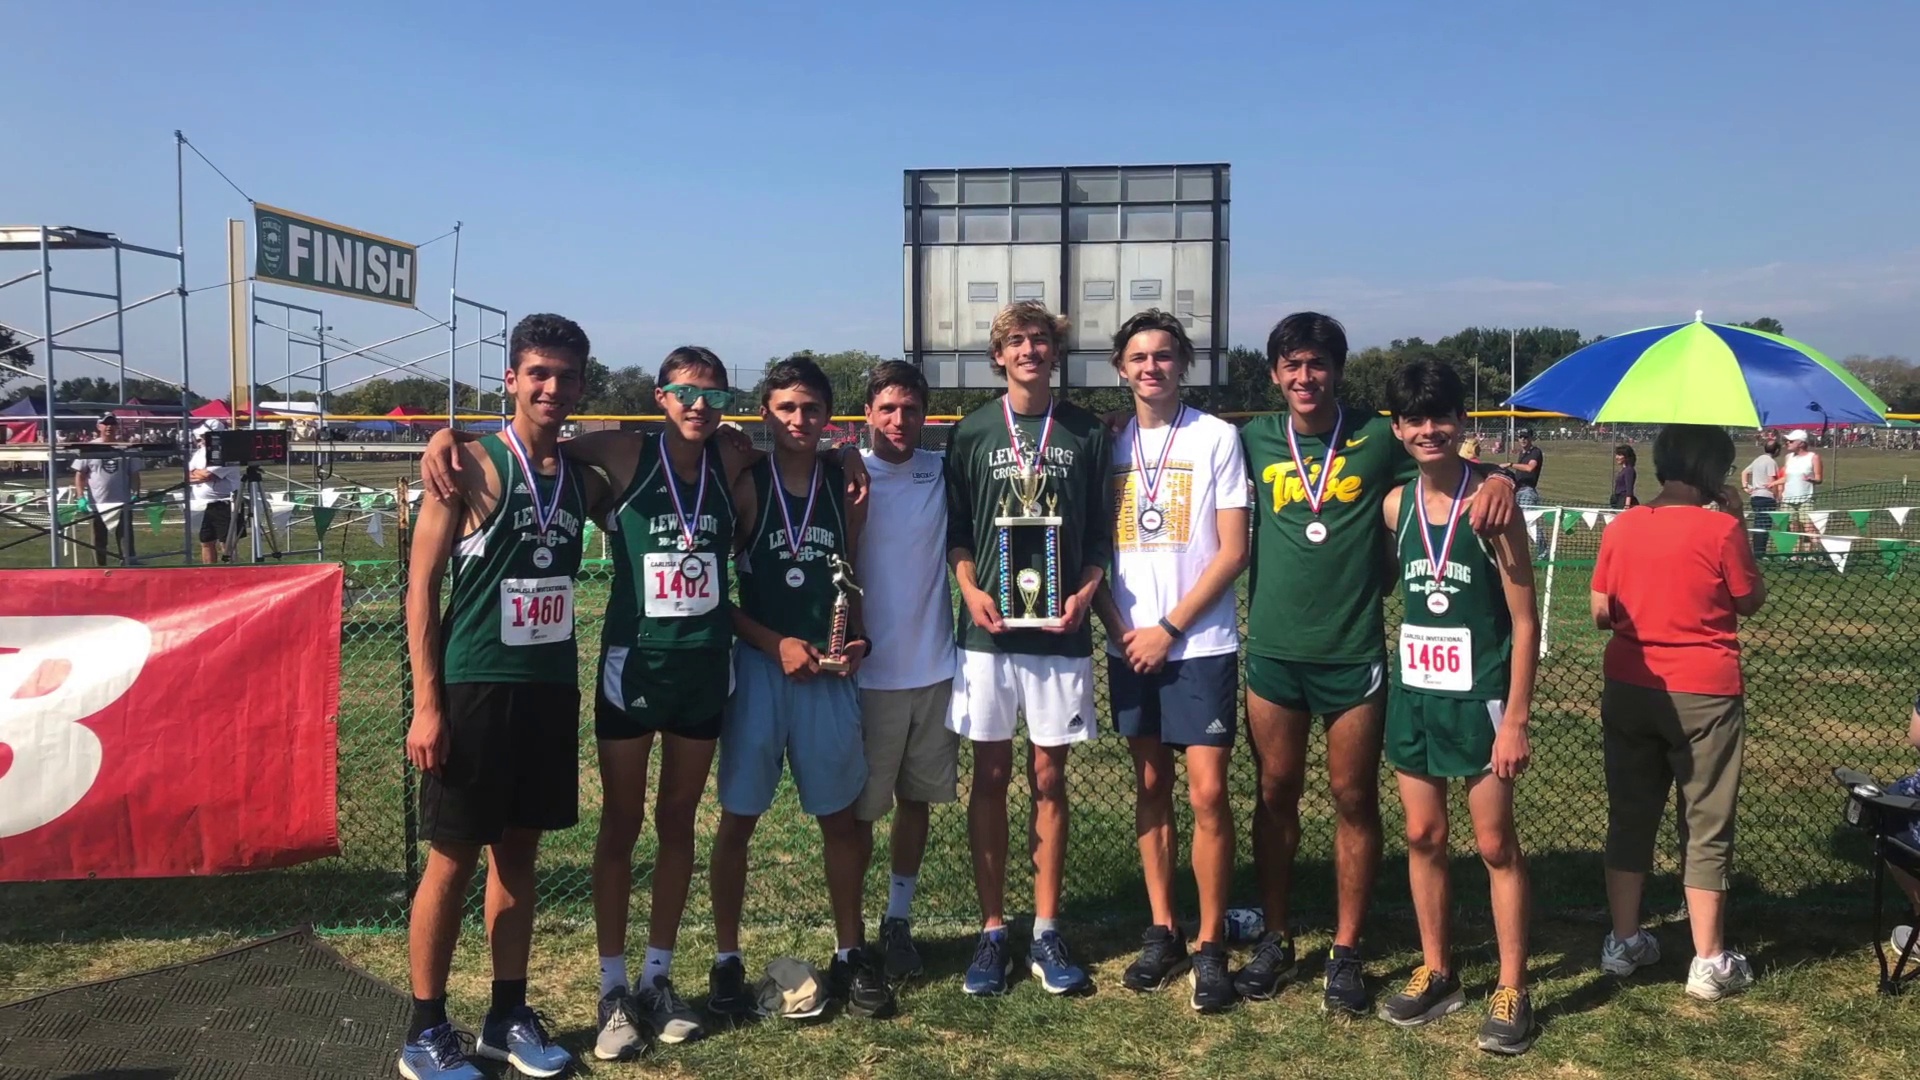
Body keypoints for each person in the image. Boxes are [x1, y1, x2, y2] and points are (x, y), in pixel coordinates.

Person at [415, 351, 868, 1058]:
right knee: (622, 826)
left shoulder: (733, 462)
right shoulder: (625, 452)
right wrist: (452, 437)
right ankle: (613, 987)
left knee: (679, 821)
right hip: (632, 670)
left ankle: (659, 977)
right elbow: (543, 435)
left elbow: (808, 458)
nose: (697, 404)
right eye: (684, 392)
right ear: (660, 396)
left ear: (725, 399)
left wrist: (849, 461)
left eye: (710, 392)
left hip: (701, 672)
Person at [1237, 312, 1516, 1014]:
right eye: (1293, 365)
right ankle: (1275, 935)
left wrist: (1503, 476)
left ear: (1337, 370)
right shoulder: (1252, 438)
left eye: (1319, 364)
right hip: (1272, 648)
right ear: (1275, 374)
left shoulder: (1372, 435)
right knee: (1275, 796)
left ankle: (1348, 948)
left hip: (1353, 649)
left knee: (1355, 798)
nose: (1306, 377)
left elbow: (1444, 461)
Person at [399, 314, 606, 1080]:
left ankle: (506, 1015)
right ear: (512, 379)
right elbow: (420, 588)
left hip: (548, 687)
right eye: (538, 373)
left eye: (568, 375)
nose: (552, 388)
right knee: (452, 859)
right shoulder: (469, 466)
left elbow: (679, 442)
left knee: (519, 854)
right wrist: (428, 704)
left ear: (585, 384)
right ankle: (424, 1026)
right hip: (475, 686)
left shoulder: (582, 472)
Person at [708, 356, 894, 1021]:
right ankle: (727, 959)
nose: (798, 420)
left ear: (828, 417)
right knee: (739, 821)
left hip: (826, 674)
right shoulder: (744, 482)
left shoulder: (844, 483)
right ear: (766, 413)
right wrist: (771, 643)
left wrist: (861, 639)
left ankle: (850, 952)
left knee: (839, 822)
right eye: (786, 408)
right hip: (762, 672)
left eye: (811, 409)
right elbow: (711, 594)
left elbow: (851, 577)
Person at [944, 300, 1113, 997]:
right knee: (987, 777)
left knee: (1049, 777)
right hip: (987, 634)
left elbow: (1102, 533)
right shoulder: (974, 431)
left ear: (1055, 352)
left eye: (1041, 340)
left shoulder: (1087, 431)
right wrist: (970, 588)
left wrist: (1085, 591)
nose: (1030, 351)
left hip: (1059, 630)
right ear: (999, 355)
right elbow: (956, 530)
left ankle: (1045, 927)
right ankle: (991, 929)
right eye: (1017, 341)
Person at [1375, 360, 1539, 1054]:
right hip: (1416, 698)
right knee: (1423, 837)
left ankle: (1512, 985)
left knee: (1496, 845)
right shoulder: (1394, 506)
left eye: (1440, 416)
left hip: (1480, 698)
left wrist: (1518, 719)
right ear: (1399, 427)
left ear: (1462, 424)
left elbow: (1526, 622)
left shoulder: (1491, 508)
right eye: (1414, 419)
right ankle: (1439, 969)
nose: (1428, 429)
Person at [1089, 311, 1248, 1013]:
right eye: (1137, 357)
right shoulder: (1107, 443)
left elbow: (1233, 550)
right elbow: (1092, 554)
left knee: (1208, 794)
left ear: (1182, 363)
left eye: (1162, 356)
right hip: (1131, 643)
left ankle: (1212, 944)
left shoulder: (1216, 437)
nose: (1150, 367)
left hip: (1199, 645)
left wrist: (1169, 628)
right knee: (1150, 786)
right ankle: (1164, 929)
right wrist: (1126, 630)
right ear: (1120, 368)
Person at [1590, 424, 1764, 1002]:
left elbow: (1599, 611)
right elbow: (1750, 600)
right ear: (1712, 472)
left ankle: (1622, 939)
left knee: (1630, 814)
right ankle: (1709, 960)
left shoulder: (1624, 524)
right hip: (1705, 691)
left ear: (1661, 464)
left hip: (1630, 682)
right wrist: (1735, 521)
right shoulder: (1720, 529)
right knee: (1706, 821)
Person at [852, 360, 960, 983]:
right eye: (887, 408)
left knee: (916, 801)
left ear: (925, 414)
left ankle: (898, 919)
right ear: (867, 412)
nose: (899, 420)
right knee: (862, 813)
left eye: (911, 409)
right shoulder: (844, 475)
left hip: (934, 669)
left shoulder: (941, 473)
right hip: (869, 678)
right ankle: (854, 929)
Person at [71, 414, 142, 566]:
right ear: (99, 426)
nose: (109, 427)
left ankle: (129, 569)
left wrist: (135, 494)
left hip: (122, 503)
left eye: (112, 423)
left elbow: (135, 474)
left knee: (126, 541)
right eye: (105, 423)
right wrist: (80, 497)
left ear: (117, 426)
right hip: (97, 504)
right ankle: (99, 570)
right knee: (98, 541)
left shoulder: (126, 448)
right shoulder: (89, 448)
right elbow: (80, 474)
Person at [188, 420, 242, 563]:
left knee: (227, 543)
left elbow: (208, 476)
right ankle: (209, 573)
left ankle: (232, 572)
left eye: (204, 436)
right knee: (206, 541)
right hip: (205, 504)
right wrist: (198, 474)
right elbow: (187, 472)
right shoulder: (200, 452)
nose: (201, 439)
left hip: (225, 504)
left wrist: (197, 473)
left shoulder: (227, 452)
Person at [1739, 435, 1781, 558]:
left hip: (1755, 496)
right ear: (1777, 450)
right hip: (1766, 496)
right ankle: (1760, 553)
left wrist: (1745, 487)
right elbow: (1771, 481)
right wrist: (1776, 497)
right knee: (1764, 525)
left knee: (1759, 524)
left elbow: (1744, 472)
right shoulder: (1770, 462)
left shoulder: (1758, 459)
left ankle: (1757, 551)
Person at [1780, 428, 1822, 532]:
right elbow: (1786, 478)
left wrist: (1811, 479)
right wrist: (1774, 485)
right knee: (1793, 529)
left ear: (1801, 443)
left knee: (1808, 528)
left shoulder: (1813, 457)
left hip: (1805, 498)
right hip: (1788, 499)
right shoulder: (1788, 457)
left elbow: (1819, 478)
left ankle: (1815, 548)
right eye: (1787, 441)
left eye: (1791, 441)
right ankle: (1796, 549)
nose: (1787, 443)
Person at [1510, 429, 1543, 507]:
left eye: (1525, 437)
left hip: (1527, 491)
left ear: (1531, 438)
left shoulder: (1535, 452)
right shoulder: (1522, 453)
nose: (1523, 439)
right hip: (1517, 490)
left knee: (1527, 517)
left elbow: (1530, 468)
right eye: (1521, 437)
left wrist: (1510, 464)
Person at [1610, 444, 1638, 510]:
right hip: (1618, 499)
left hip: (1624, 500)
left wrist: (1627, 505)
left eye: (1620, 455)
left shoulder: (1629, 470)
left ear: (1626, 456)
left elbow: (1629, 489)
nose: (1617, 457)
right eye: (1617, 455)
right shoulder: (1624, 470)